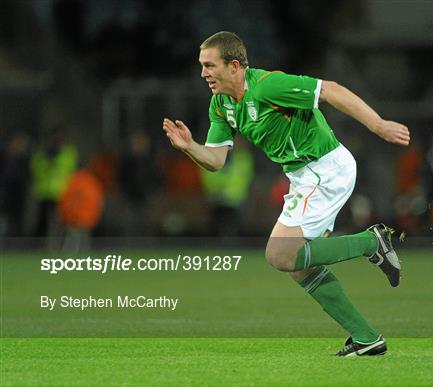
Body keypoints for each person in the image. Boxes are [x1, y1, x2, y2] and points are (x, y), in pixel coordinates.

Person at [162, 31, 410, 357]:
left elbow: (331, 91)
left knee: (278, 254)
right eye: (202, 66)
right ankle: (366, 338)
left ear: (234, 65)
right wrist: (189, 147)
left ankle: (371, 242)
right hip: (304, 176)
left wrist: (379, 126)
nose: (203, 73)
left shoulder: (268, 86)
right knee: (298, 266)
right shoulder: (221, 104)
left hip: (325, 168)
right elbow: (216, 160)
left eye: (210, 65)